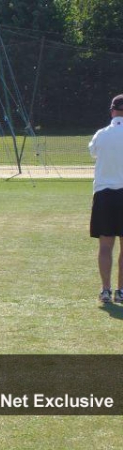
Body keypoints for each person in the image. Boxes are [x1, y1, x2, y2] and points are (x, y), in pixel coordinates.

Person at [89, 94, 123, 303]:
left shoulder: (101, 134)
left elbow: (93, 152)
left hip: (104, 195)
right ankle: (121, 291)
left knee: (105, 246)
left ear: (112, 111)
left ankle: (105, 290)